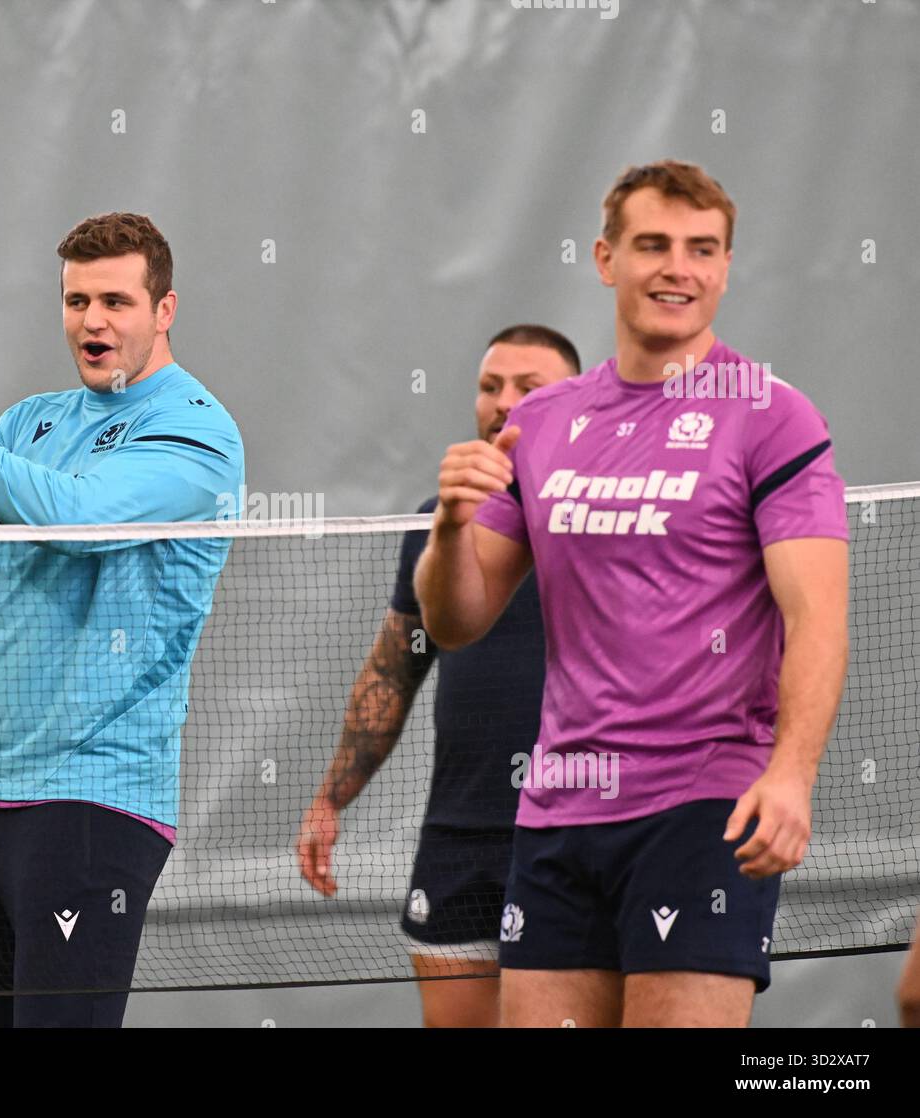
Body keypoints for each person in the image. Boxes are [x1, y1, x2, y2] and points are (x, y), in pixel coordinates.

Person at [416, 161, 850, 1027]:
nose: (676, 269)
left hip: (704, 806)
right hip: (558, 808)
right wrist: (452, 528)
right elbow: (456, 622)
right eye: (653, 245)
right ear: (606, 258)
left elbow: (819, 618)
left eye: (701, 250)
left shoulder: (773, 416)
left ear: (726, 266)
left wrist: (792, 777)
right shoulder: (540, 424)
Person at [0, 212, 244, 1027]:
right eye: (76, 300)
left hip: (94, 804)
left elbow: (75, 518)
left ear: (164, 310)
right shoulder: (31, 421)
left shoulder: (198, 433)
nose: (92, 321)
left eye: (117, 302)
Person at [297, 325, 579, 1027]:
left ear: (576, 403)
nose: (503, 403)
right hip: (458, 835)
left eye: (528, 388)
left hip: (570, 829)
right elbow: (394, 668)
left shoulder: (607, 516)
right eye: (490, 387)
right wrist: (332, 797)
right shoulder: (437, 524)